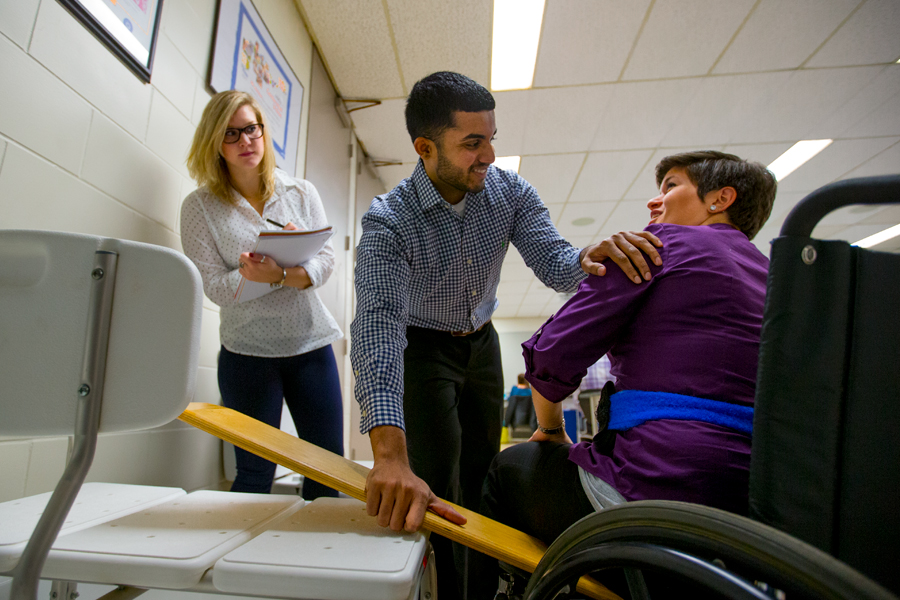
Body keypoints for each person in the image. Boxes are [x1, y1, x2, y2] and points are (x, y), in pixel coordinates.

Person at [348, 71, 663, 599]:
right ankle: (444, 590)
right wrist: (386, 455)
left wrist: (589, 258)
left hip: (480, 343)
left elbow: (556, 262)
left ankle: (482, 590)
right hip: (421, 347)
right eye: (472, 143)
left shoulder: (508, 193)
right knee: (434, 484)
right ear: (426, 148)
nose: (489, 155)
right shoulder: (390, 223)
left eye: (491, 138)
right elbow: (378, 330)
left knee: (481, 476)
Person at [471, 150, 777, 597]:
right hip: (744, 521)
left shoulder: (653, 248)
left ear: (721, 199)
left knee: (510, 467)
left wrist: (551, 429)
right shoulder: (778, 279)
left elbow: (552, 357)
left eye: (671, 186)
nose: (655, 202)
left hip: (654, 493)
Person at [180, 90, 343, 499]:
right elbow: (213, 284)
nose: (245, 141)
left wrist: (284, 271)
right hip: (246, 355)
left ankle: (319, 561)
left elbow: (325, 260)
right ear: (214, 143)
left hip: (310, 345)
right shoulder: (199, 207)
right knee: (254, 474)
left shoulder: (300, 192)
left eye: (251, 129)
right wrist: (264, 274)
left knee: (327, 471)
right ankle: (243, 563)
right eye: (231, 134)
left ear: (263, 132)